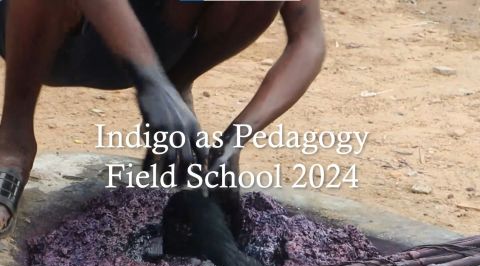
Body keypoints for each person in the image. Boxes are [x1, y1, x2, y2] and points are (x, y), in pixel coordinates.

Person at [0, 0, 325, 238]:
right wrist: (150, 81)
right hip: (35, 28)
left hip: (154, 45)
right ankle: (13, 142)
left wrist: (234, 141)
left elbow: (308, 39)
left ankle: (176, 84)